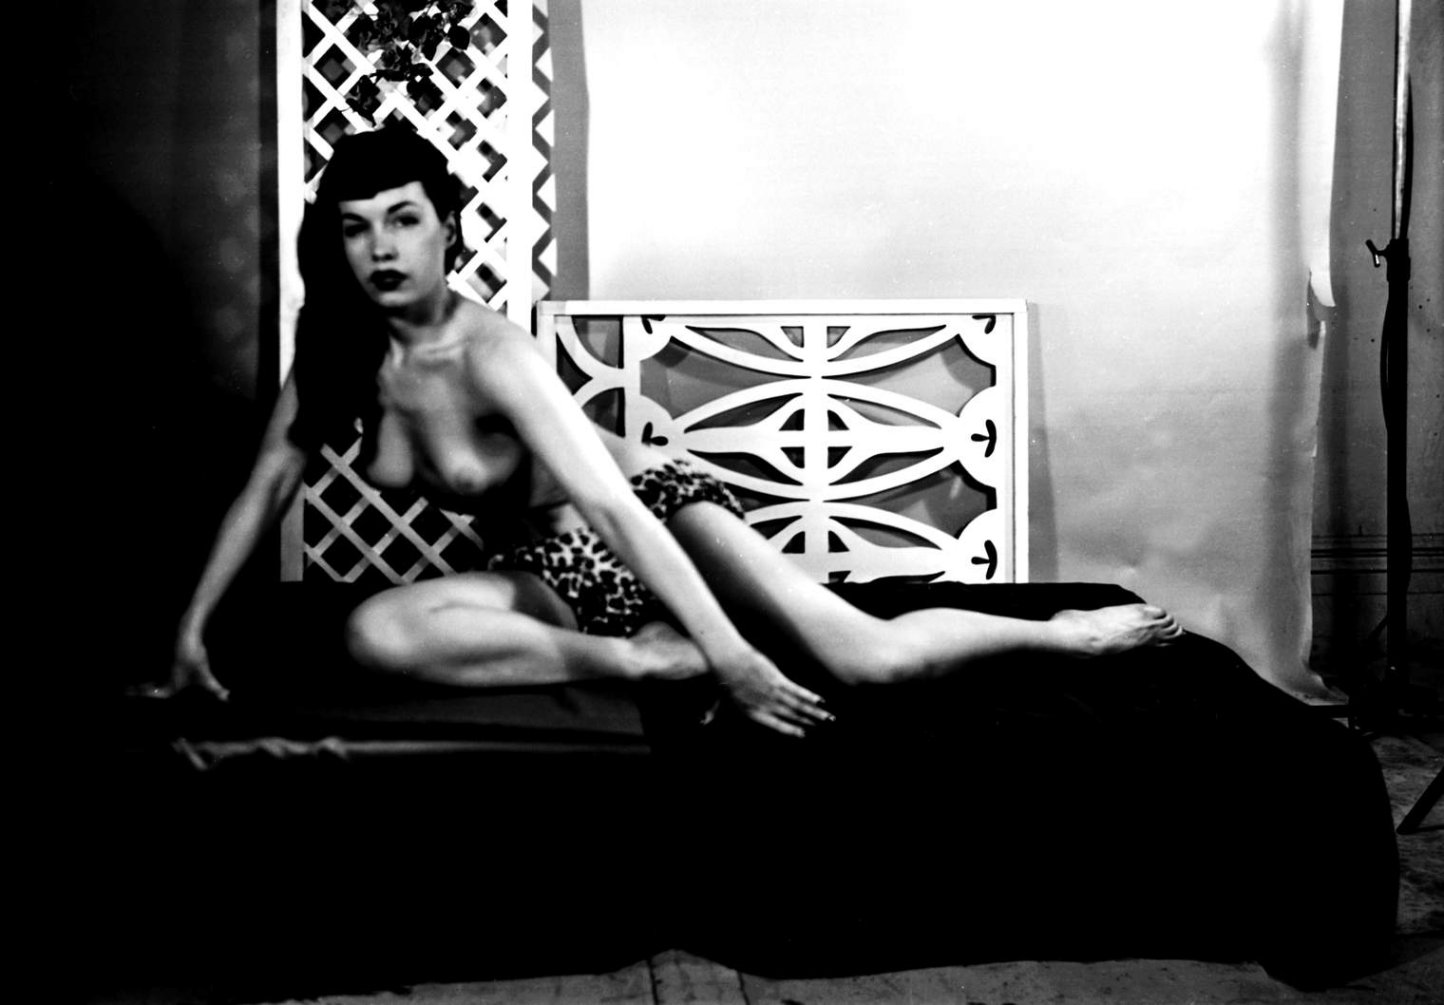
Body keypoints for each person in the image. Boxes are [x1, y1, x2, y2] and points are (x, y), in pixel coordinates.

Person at [162, 125, 1183, 737]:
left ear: (449, 226)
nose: (381, 247)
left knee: (869, 660)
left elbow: (614, 507)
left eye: (403, 218)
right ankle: (650, 662)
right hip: (548, 568)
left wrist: (733, 655)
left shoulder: (493, 353)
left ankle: (1059, 635)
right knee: (374, 632)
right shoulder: (338, 351)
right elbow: (264, 487)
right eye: (356, 226)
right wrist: (190, 633)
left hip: (654, 515)